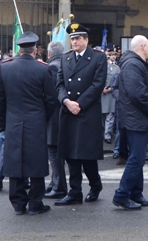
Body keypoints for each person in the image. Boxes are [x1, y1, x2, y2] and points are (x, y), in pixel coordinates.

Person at [0, 32, 57, 215]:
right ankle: (35, 202)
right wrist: (43, 117)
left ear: (19, 50)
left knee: (15, 160)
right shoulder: (43, 69)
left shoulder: (5, 68)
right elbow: (51, 99)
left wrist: (3, 124)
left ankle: (18, 203)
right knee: (36, 161)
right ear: (35, 50)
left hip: (13, 121)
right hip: (36, 120)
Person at [55, 23, 107, 206]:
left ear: (86, 40)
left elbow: (98, 84)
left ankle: (95, 185)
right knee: (70, 155)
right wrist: (66, 101)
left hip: (87, 112)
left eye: (77, 38)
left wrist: (80, 104)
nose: (74, 42)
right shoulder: (66, 58)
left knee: (87, 155)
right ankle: (75, 192)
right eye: (72, 39)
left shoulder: (98, 57)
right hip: (68, 111)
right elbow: (59, 84)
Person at [113, 35, 148, 210]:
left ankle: (136, 194)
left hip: (135, 117)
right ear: (143, 46)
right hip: (135, 118)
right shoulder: (133, 65)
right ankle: (121, 194)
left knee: (138, 156)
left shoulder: (133, 64)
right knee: (137, 158)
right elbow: (139, 94)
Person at [45, 41, 67, 199]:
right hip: (62, 114)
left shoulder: (52, 67)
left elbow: (51, 94)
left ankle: (58, 186)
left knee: (54, 152)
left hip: (54, 116)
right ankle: (54, 182)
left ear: (49, 54)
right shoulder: (65, 64)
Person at [101, 51, 120, 145]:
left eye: (114, 55)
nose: (113, 57)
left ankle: (107, 135)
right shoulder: (101, 66)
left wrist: (110, 89)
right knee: (101, 116)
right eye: (111, 55)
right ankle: (103, 133)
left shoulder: (117, 68)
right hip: (100, 94)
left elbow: (119, 81)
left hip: (110, 94)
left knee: (110, 116)